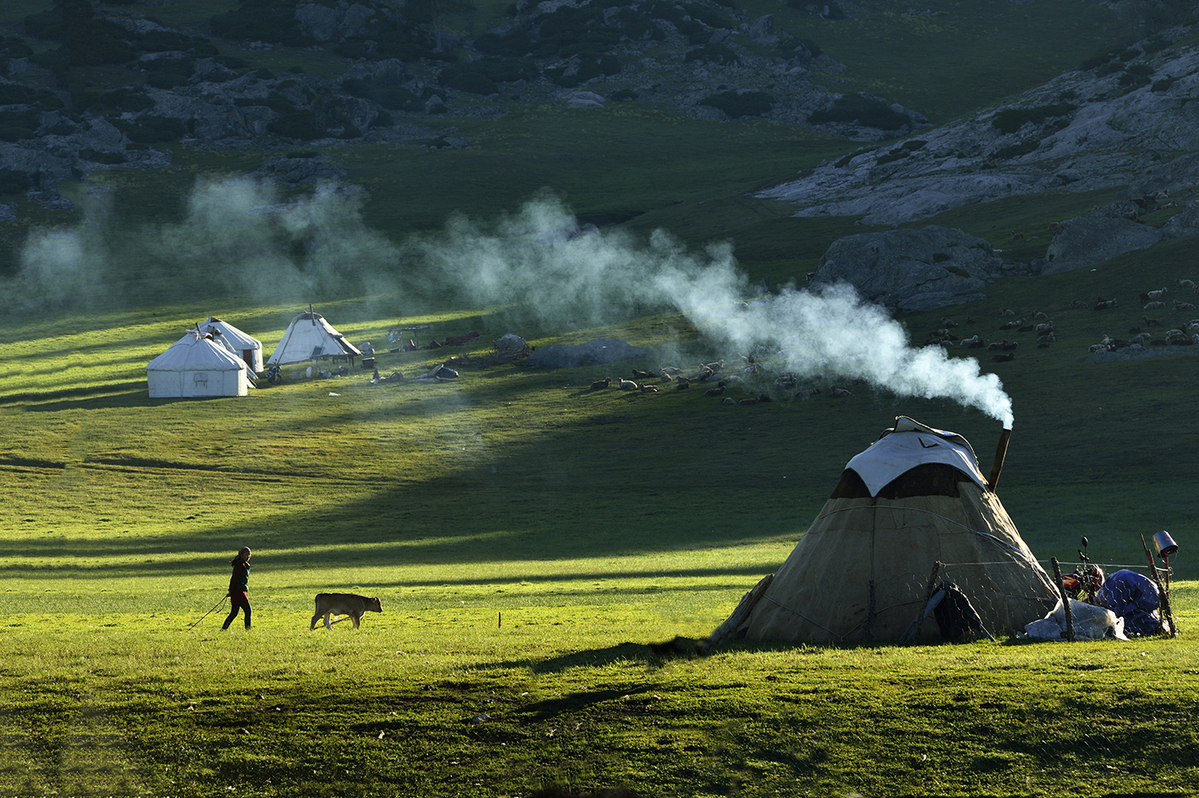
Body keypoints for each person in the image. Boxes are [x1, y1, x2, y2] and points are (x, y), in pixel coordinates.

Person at [222, 546, 252, 631]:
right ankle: (247, 629)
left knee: (234, 613)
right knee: (248, 611)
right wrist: (231, 590)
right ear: (242, 555)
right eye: (246, 554)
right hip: (238, 592)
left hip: (237, 591)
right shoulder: (240, 565)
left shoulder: (243, 564)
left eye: (249, 555)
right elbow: (234, 578)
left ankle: (224, 629)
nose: (248, 556)